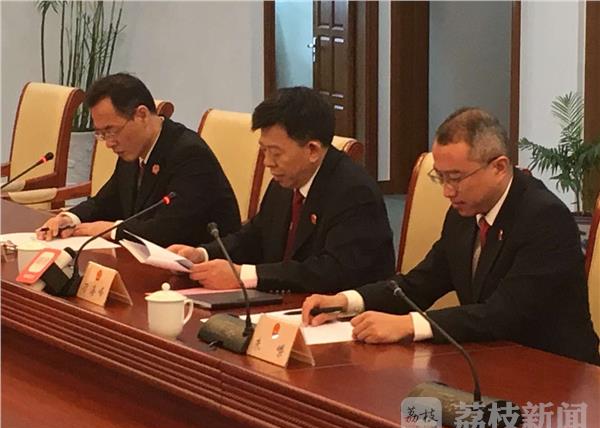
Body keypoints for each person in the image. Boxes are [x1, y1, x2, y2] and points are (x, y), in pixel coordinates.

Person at [303, 107, 600, 365]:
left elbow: (504, 314)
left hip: (556, 370)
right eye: (440, 177)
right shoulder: (464, 213)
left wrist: (410, 325)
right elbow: (419, 284)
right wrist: (346, 301)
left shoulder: (544, 217)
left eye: (456, 178)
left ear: (499, 167)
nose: (447, 191)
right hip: (489, 357)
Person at [168, 86, 395, 293]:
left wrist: (244, 275)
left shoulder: (355, 192)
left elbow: (331, 271)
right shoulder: (287, 181)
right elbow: (256, 236)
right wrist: (203, 254)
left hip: (344, 315)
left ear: (312, 150)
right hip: (286, 305)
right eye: (263, 150)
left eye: (276, 153)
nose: (268, 162)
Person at [36, 73, 241, 247]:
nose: (109, 143)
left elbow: (169, 229)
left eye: (111, 130)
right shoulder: (133, 151)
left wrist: (113, 230)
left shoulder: (189, 154)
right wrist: (69, 218)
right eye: (101, 134)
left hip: (201, 269)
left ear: (141, 115)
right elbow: (105, 202)